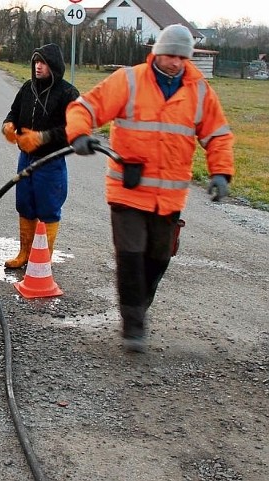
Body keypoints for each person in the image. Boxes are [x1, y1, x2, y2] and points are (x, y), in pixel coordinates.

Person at [66, 24, 235, 352]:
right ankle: (133, 325)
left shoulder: (199, 91)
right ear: (157, 52)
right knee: (130, 257)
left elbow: (218, 135)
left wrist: (221, 173)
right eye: (169, 55)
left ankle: (137, 306)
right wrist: (80, 134)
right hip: (127, 191)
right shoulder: (129, 80)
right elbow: (83, 108)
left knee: (158, 257)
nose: (175, 62)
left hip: (169, 197)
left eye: (181, 57)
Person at [2, 43, 79, 269]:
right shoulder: (28, 88)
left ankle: (42, 258)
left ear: (53, 66)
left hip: (50, 161)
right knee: (25, 204)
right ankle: (24, 252)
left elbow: (73, 130)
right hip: (25, 158)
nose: (38, 66)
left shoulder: (68, 93)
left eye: (43, 62)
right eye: (35, 62)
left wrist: (41, 138)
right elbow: (14, 111)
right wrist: (8, 124)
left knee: (48, 208)